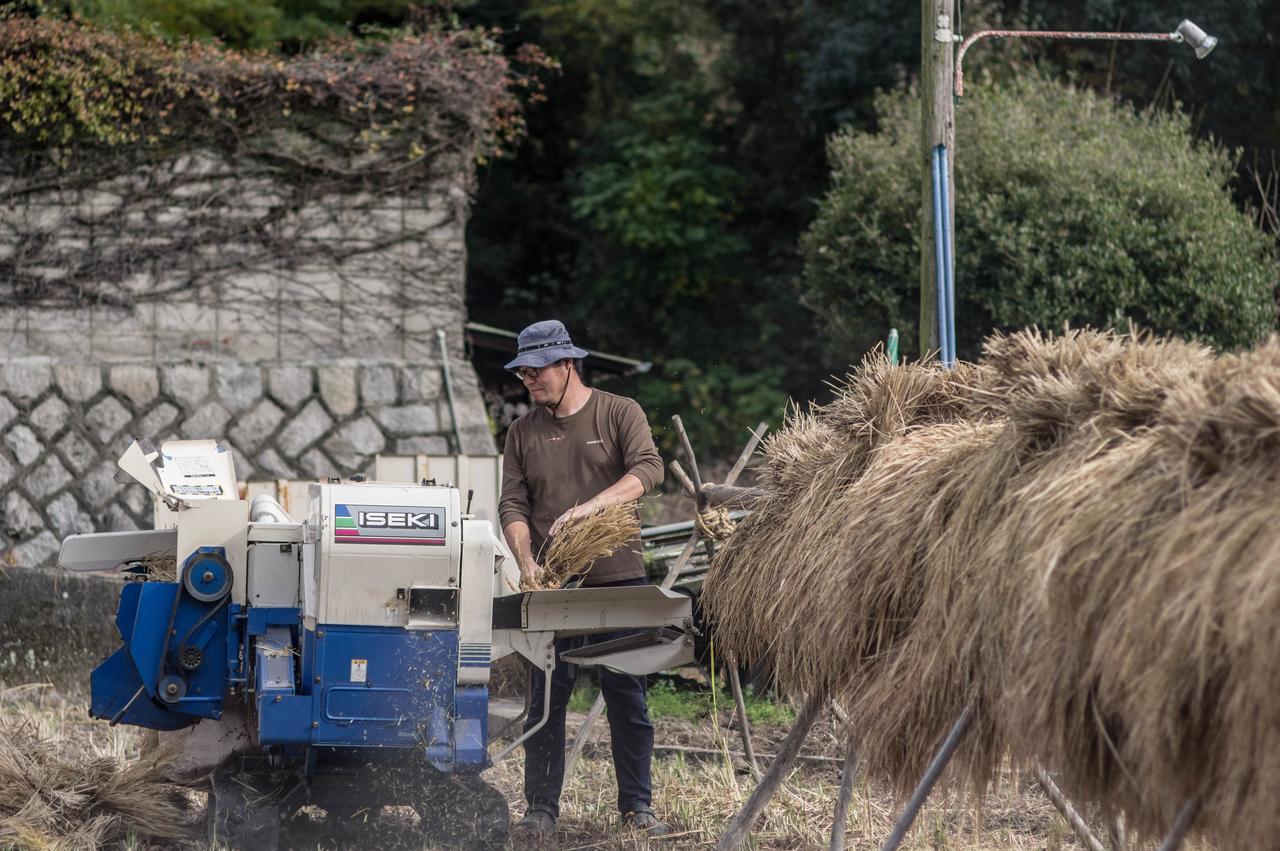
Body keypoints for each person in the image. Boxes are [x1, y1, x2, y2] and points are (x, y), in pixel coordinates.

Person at [497, 319, 669, 837]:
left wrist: (591, 510)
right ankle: (540, 810)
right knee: (545, 701)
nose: (529, 380)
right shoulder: (522, 432)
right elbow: (513, 503)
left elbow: (650, 469)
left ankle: (637, 809)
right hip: (555, 588)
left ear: (568, 364)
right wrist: (526, 561)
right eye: (523, 372)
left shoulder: (619, 411)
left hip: (619, 581)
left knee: (628, 698)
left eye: (538, 370)